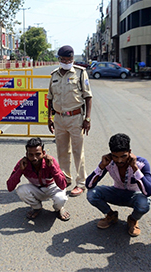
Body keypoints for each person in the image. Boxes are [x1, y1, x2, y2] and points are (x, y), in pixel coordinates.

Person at [86, 133, 151, 236]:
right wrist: (101, 166)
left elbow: (148, 191)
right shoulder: (109, 162)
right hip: (116, 192)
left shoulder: (141, 163)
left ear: (130, 152)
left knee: (144, 203)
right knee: (91, 194)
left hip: (134, 196)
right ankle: (111, 215)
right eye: (115, 156)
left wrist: (135, 168)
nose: (119, 160)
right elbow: (89, 185)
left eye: (123, 156)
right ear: (111, 154)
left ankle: (132, 219)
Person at [47, 45, 92, 197]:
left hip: (76, 118)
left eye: (69, 59)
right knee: (62, 151)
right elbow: (50, 98)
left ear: (73, 59)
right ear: (59, 59)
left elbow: (88, 96)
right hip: (59, 118)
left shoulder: (80, 73)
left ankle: (81, 183)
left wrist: (87, 118)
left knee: (78, 151)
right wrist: (49, 118)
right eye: (63, 59)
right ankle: (65, 178)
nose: (66, 62)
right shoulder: (54, 75)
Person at [6, 137, 70, 221]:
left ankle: (59, 209)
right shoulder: (23, 163)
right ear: (26, 154)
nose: (34, 158)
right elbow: (10, 187)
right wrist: (20, 170)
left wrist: (52, 167)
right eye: (31, 155)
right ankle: (37, 207)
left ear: (43, 153)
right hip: (37, 189)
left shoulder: (50, 161)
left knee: (61, 198)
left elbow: (63, 185)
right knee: (21, 190)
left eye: (38, 154)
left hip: (52, 187)